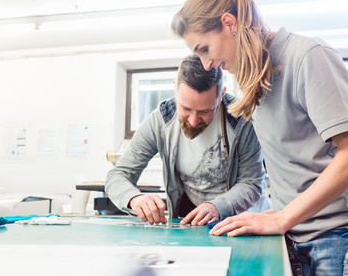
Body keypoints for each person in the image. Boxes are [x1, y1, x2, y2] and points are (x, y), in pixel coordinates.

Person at [171, 0, 348, 276]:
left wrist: (284, 216)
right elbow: (297, 160)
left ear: (229, 24)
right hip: (294, 232)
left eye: (204, 48)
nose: (205, 63)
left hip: (344, 234)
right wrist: (278, 212)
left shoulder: (308, 56)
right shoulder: (250, 76)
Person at [105, 54, 271, 226]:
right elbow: (117, 175)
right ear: (175, 89)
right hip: (196, 222)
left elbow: (252, 183)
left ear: (221, 95)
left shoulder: (242, 119)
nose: (193, 121)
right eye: (185, 108)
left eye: (205, 111)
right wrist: (135, 198)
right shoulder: (159, 121)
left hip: (245, 221)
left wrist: (217, 206)